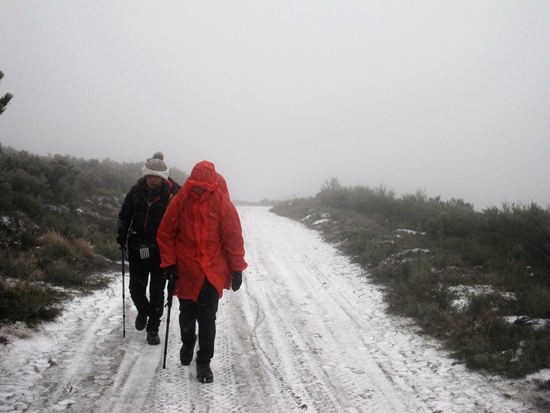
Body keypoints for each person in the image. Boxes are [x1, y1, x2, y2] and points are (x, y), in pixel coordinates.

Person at [157, 160, 247, 383]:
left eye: (203, 186)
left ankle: (204, 362)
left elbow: (233, 239)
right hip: (186, 270)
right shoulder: (181, 201)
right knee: (186, 315)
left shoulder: (223, 205)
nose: (198, 189)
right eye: (195, 184)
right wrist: (168, 263)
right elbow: (165, 233)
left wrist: (237, 269)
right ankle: (188, 341)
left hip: (212, 272)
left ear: (212, 184)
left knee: (207, 319)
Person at [116, 152, 180, 345]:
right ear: (145, 175)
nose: (153, 180)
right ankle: (143, 311)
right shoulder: (135, 192)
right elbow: (124, 215)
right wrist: (122, 234)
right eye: (150, 176)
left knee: (158, 293)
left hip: (161, 252)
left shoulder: (172, 196)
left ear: (164, 177)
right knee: (135, 289)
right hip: (137, 248)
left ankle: (153, 329)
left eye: (158, 176)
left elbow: (179, 224)